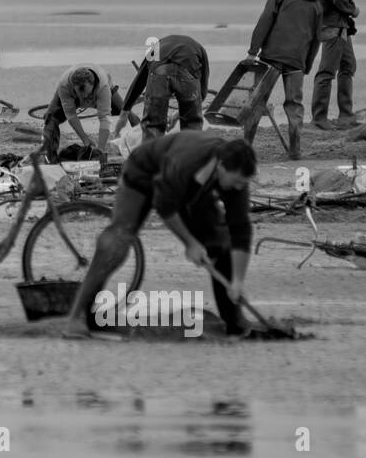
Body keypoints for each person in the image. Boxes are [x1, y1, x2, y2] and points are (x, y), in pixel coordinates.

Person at [63, 132, 257, 340]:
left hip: (189, 189)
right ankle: (78, 317)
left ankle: (233, 321)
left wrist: (237, 281)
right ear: (221, 166)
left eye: (242, 183)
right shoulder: (187, 161)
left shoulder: (235, 176)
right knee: (115, 245)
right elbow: (164, 204)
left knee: (221, 242)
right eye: (236, 181)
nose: (238, 188)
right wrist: (190, 242)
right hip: (143, 174)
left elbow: (240, 228)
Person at [247, 0, 323, 159]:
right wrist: (307, 64)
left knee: (257, 101)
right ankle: (295, 151)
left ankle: (246, 147)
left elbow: (264, 22)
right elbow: (316, 39)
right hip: (297, 61)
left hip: (271, 57)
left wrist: (253, 51)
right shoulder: (316, 4)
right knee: (295, 105)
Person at [115, 34, 210, 142]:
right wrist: (179, 114)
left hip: (159, 73)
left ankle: (152, 155)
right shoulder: (199, 48)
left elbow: (139, 81)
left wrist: (124, 112)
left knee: (153, 125)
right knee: (191, 124)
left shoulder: (156, 47)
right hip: (187, 74)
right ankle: (190, 154)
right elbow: (201, 92)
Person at [308, 0, 359, 129]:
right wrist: (353, 10)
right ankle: (319, 119)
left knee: (348, 65)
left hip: (324, 23)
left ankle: (346, 115)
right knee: (327, 71)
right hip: (335, 25)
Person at [41, 64, 127, 161]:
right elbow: (71, 115)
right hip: (73, 96)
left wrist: (100, 149)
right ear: (73, 87)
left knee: (126, 111)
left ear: (93, 84)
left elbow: (104, 118)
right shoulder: (64, 85)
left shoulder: (103, 87)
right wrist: (85, 139)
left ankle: (137, 145)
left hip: (99, 91)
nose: (84, 97)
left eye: (86, 93)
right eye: (81, 93)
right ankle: (50, 158)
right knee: (50, 117)